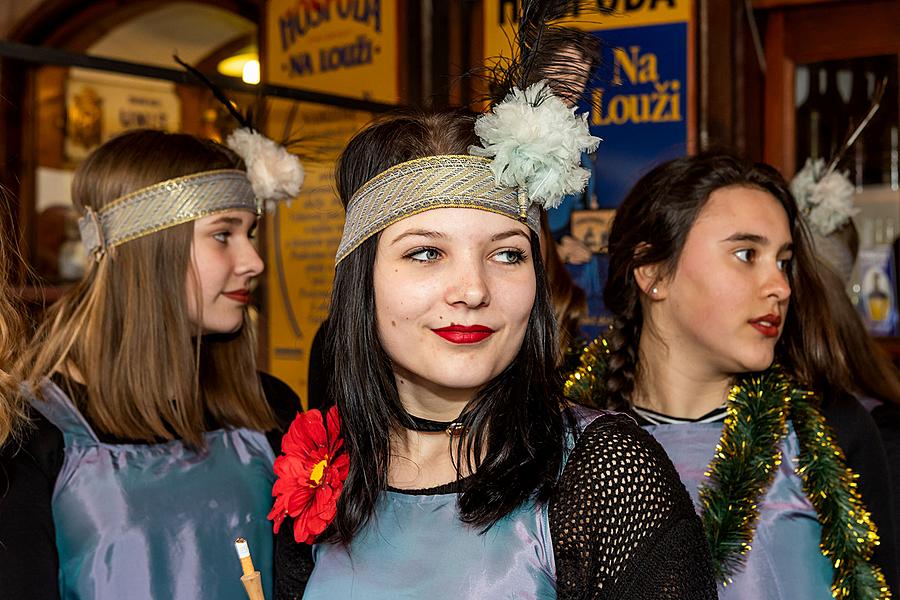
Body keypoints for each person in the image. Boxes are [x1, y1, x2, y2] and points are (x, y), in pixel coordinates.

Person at [271, 106, 717, 599]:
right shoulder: (323, 474)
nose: (472, 290)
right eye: (426, 253)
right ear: (363, 282)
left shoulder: (602, 473)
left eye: (506, 254)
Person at [566, 152, 898, 598]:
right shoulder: (560, 443)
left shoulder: (831, 430)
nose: (780, 286)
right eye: (746, 254)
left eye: (783, 261)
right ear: (652, 271)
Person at [0, 129, 303, 600]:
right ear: (146, 247)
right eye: (223, 234)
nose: (254, 261)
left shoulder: (271, 408)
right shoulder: (29, 433)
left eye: (250, 233)